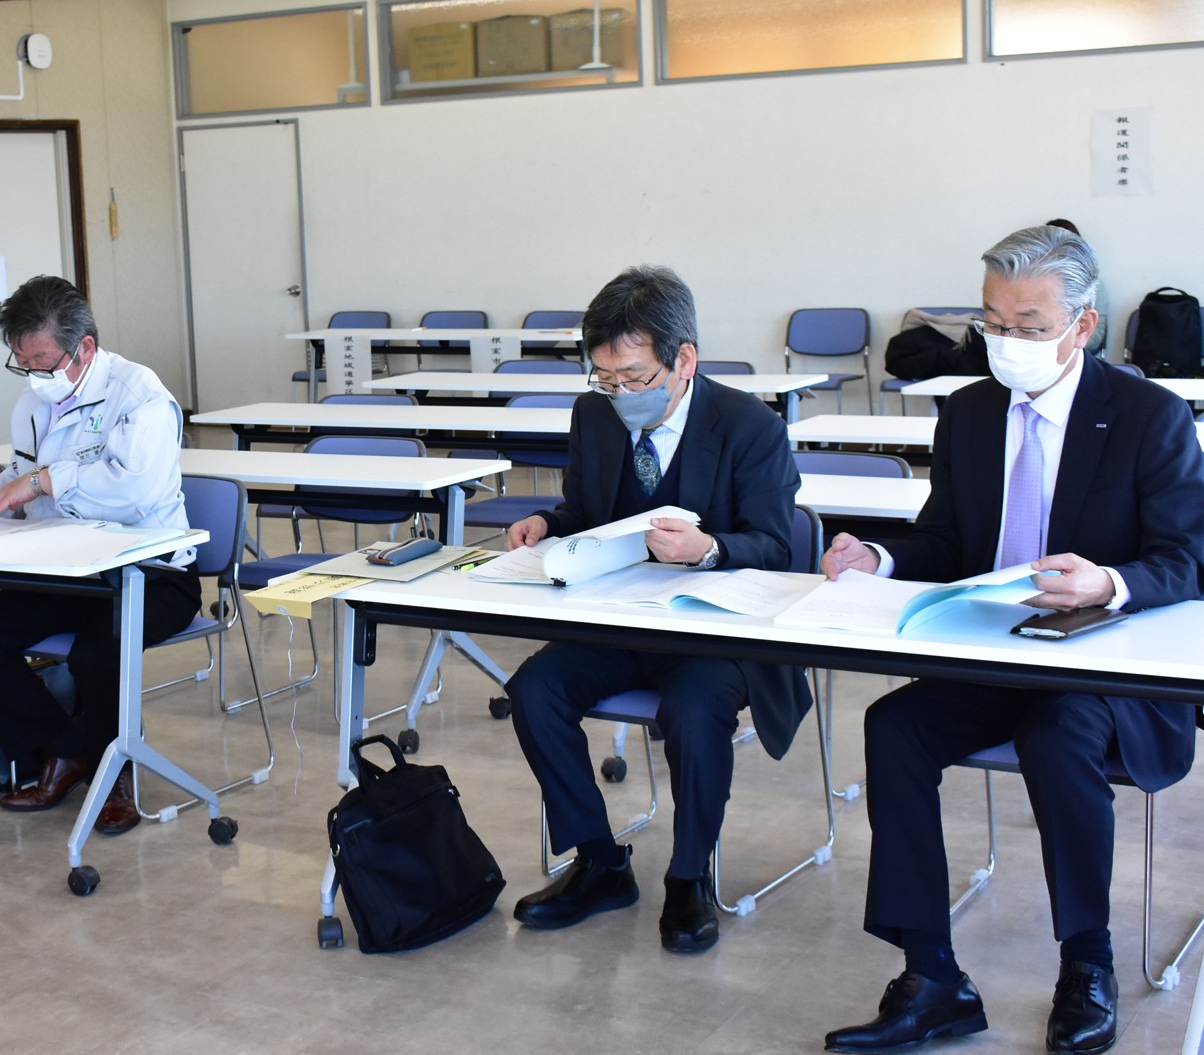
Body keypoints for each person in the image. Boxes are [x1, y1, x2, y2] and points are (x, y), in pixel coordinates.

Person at [823, 226, 1204, 1055]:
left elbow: (1187, 558)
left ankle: (1086, 961)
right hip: (994, 650)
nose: (1006, 342)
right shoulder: (968, 412)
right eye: (993, 323)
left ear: (1082, 326)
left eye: (1029, 326)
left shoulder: (1148, 415)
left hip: (1101, 663)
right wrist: (878, 558)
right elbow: (945, 539)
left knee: (1057, 732)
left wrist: (1107, 582)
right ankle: (931, 977)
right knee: (893, 728)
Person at [502, 265, 811, 954]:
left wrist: (709, 549)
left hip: (713, 632)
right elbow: (588, 512)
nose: (620, 394)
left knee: (694, 713)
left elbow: (776, 546)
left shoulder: (749, 426)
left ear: (684, 360)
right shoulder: (594, 415)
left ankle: (687, 876)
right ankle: (599, 862)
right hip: (620, 619)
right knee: (533, 691)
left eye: (636, 378)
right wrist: (547, 525)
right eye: (605, 379)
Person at [0, 275, 201, 838]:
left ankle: (112, 779)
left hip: (150, 573)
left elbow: (133, 492)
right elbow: (20, 473)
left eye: (42, 361)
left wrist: (46, 482)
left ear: (84, 347)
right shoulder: (35, 402)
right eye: (22, 363)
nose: (34, 375)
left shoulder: (138, 396)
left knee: (98, 653)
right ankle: (66, 754)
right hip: (67, 570)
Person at [1047, 219, 1109, 356]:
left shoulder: (1094, 286)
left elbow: (1096, 336)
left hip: (1078, 355)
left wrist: (1057, 345)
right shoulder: (1031, 285)